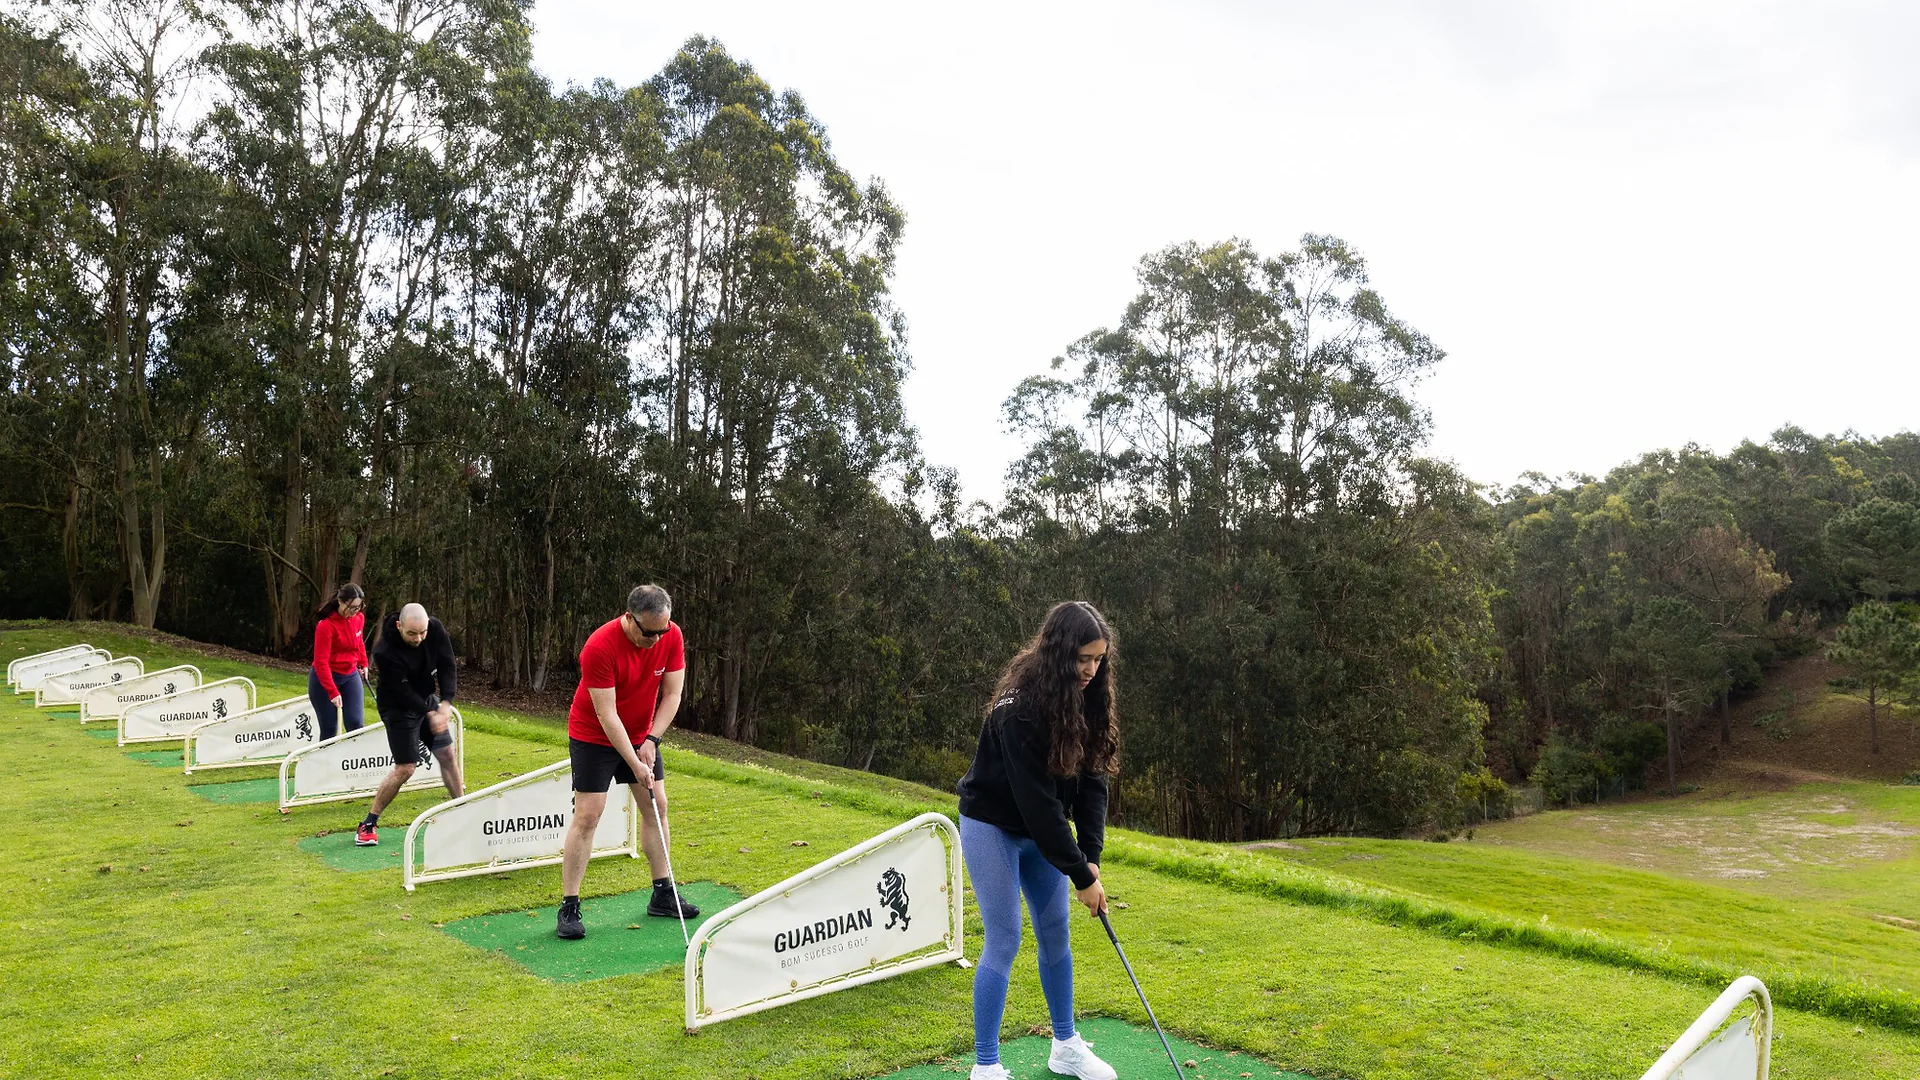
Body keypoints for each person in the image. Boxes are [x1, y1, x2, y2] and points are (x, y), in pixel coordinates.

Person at [955, 601, 1120, 1080]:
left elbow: (1092, 782)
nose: (1091, 669)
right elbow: (1038, 805)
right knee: (1004, 938)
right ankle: (986, 1067)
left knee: (1055, 935)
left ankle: (1065, 1045)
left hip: (1040, 833)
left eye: (1098, 660)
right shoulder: (1018, 707)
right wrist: (1076, 872)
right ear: (1059, 651)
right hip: (992, 826)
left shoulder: (1090, 695)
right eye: (1082, 659)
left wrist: (1089, 859)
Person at [555, 584, 698, 940]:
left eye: (662, 631)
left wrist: (652, 740)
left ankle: (663, 893)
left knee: (656, 807)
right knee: (589, 813)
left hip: (640, 734)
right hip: (594, 735)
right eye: (649, 633)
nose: (656, 639)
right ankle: (569, 906)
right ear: (629, 618)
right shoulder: (598, 647)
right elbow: (606, 715)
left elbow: (673, 693)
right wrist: (634, 761)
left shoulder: (671, 634)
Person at [354, 603, 464, 846]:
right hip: (397, 707)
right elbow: (402, 691)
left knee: (447, 753)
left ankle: (462, 810)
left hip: (426, 699)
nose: (419, 638)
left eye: (422, 633)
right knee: (406, 768)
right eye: (412, 634)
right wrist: (429, 712)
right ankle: (369, 823)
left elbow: (447, 664)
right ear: (399, 626)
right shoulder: (385, 651)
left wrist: (445, 703)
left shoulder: (434, 629)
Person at [308, 583, 369, 742]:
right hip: (324, 679)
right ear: (340, 602)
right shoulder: (326, 626)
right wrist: (332, 692)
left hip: (350, 675)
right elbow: (321, 663)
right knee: (329, 729)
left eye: (359, 607)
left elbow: (359, 642)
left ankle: (355, 763)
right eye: (352, 607)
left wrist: (363, 663)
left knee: (356, 724)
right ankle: (324, 765)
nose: (355, 611)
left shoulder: (359, 618)